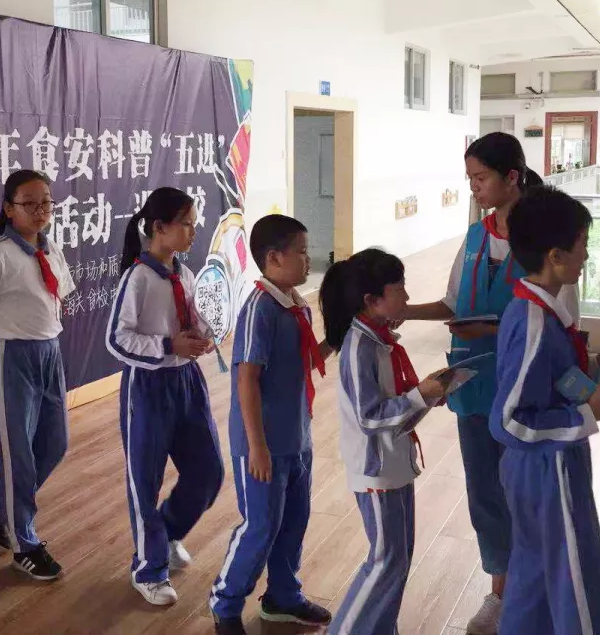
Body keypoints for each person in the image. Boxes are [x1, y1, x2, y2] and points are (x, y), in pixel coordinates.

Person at [404, 132, 578, 635]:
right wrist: (398, 313)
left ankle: (536, 596)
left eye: (480, 178)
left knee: (528, 495)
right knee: (485, 494)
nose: (474, 188)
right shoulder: (476, 237)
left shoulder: (545, 241)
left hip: (528, 392)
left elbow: (563, 323)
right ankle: (501, 594)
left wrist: (493, 330)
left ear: (512, 177)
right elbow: (453, 302)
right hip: (474, 387)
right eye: (471, 179)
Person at [490, 186, 600, 634]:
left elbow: (548, 380)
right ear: (555, 256)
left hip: (539, 468)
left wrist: (597, 366)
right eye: (582, 245)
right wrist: (587, 415)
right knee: (576, 582)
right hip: (547, 470)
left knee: (532, 577)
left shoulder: (537, 311)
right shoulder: (533, 321)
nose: (586, 255)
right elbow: (509, 420)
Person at [209, 215, 332, 634]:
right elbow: (246, 378)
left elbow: (304, 361)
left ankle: (283, 597)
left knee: (293, 522)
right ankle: (225, 603)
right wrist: (257, 447)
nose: (308, 258)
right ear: (275, 257)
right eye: (301, 251)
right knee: (260, 526)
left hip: (296, 436)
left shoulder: (295, 304)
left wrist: (338, 335)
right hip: (261, 443)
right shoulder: (260, 307)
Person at [106, 187, 224, 606]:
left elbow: (189, 318)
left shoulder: (184, 275)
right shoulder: (137, 278)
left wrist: (201, 334)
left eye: (194, 224)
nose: (193, 232)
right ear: (159, 227)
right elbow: (117, 340)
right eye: (186, 224)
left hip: (187, 383)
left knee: (208, 471)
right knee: (145, 481)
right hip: (149, 388)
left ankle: (167, 534)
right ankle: (149, 569)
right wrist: (167, 346)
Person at [321, 247, 447, 635]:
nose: (407, 296)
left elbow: (396, 406)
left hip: (394, 463)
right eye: (399, 288)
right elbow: (370, 416)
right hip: (376, 470)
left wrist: (429, 394)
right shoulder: (359, 347)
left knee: (398, 559)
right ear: (372, 300)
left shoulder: (380, 340)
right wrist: (420, 396)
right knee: (385, 560)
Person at [0, 170, 74, 581]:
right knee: (17, 453)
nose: (40, 211)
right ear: (9, 209)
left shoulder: (51, 248)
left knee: (55, 443)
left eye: (46, 203)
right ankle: (25, 543)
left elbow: (58, 297)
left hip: (48, 353)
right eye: (29, 204)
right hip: (9, 356)